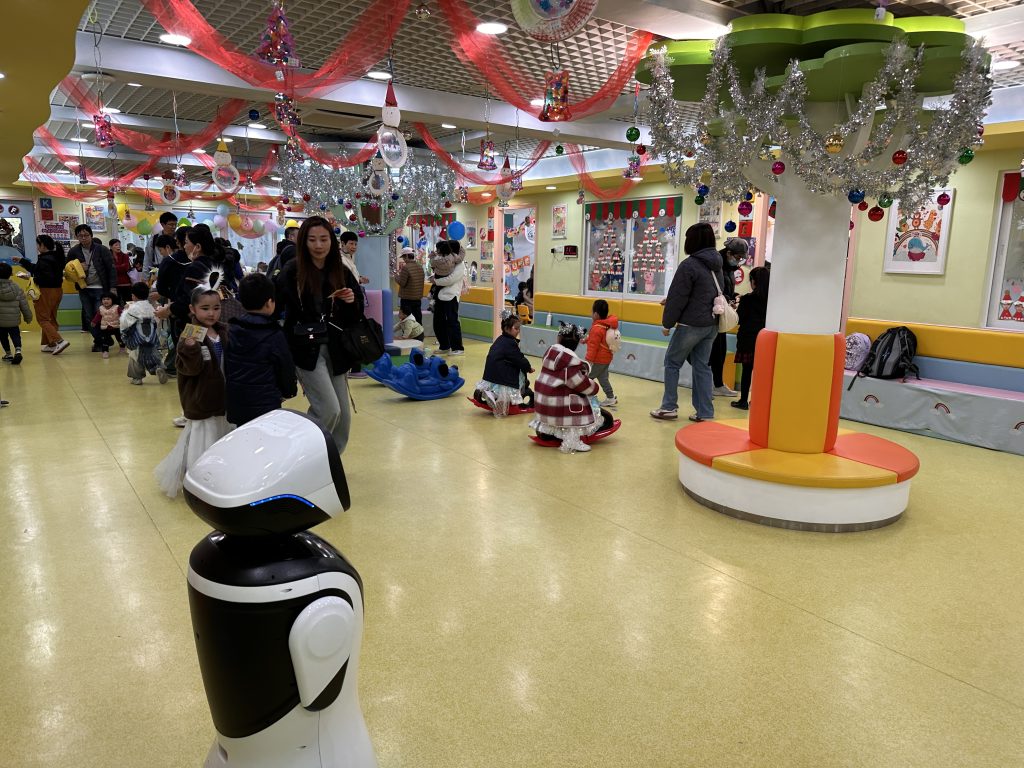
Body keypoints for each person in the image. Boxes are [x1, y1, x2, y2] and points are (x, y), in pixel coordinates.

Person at [278, 216, 365, 455]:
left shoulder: (340, 270)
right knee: (328, 410)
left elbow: (356, 312)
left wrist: (351, 301)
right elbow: (274, 306)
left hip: (336, 348)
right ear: (303, 242)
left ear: (331, 241)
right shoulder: (292, 271)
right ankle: (303, 455)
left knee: (343, 416)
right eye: (312, 239)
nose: (318, 245)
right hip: (305, 349)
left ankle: (330, 462)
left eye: (324, 239)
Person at [154, 287, 230, 498]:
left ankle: (220, 478)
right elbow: (189, 369)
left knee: (221, 439)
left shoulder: (223, 331)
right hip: (201, 400)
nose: (211, 313)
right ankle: (199, 481)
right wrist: (190, 348)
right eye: (205, 308)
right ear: (193, 309)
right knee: (202, 442)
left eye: (216, 308)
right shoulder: (191, 334)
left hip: (223, 399)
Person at [650, 222, 723, 423]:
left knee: (672, 363)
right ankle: (705, 412)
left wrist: (667, 323)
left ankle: (669, 407)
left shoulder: (689, 265)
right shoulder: (717, 265)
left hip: (690, 324)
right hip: (711, 324)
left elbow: (678, 297)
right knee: (702, 366)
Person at [224, 273, 297, 427]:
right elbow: (285, 366)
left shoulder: (233, 329)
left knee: (243, 434)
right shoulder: (274, 333)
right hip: (266, 402)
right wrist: (289, 391)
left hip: (237, 400)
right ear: (270, 303)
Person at [531, 322, 606, 453]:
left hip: (541, 402)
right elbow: (582, 385)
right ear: (576, 345)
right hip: (557, 406)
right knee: (580, 402)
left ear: (558, 338)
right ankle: (572, 441)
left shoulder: (551, 355)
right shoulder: (570, 364)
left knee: (563, 392)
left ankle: (551, 431)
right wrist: (594, 387)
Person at [12, 235, 69, 354]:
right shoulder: (55, 257)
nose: (37, 247)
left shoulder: (45, 259)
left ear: (43, 245)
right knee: (51, 317)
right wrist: (22, 261)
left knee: (43, 319)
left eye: (38, 244)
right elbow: (38, 269)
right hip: (57, 291)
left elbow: (44, 277)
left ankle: (59, 341)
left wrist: (31, 278)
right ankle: (49, 344)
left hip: (46, 291)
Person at [66, 224, 116, 352]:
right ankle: (100, 340)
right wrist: (77, 268)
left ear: (91, 235)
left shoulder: (102, 249)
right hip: (84, 288)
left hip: (101, 288)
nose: (83, 238)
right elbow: (67, 270)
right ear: (77, 237)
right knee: (89, 317)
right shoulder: (73, 251)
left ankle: (102, 340)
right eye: (80, 236)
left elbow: (111, 269)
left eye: (86, 235)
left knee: (99, 314)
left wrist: (112, 287)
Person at [475, 311, 535, 416]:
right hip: (501, 373)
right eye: (516, 328)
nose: (518, 331)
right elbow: (519, 359)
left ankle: (491, 393)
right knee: (518, 377)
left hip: (490, 373)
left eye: (519, 329)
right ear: (507, 328)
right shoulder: (510, 343)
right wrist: (528, 368)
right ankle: (496, 396)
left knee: (501, 378)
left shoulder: (500, 339)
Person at [709, 237, 747, 398]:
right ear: (729, 253)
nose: (738, 261)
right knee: (709, 352)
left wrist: (733, 296)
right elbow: (712, 290)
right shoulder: (715, 266)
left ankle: (717, 384)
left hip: (722, 315)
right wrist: (726, 299)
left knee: (720, 352)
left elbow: (727, 289)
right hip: (712, 314)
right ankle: (707, 385)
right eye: (737, 257)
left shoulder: (730, 269)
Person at [731, 266, 770, 411]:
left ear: (754, 281)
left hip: (748, 339)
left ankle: (743, 401)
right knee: (762, 372)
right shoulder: (772, 301)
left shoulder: (747, 299)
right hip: (765, 341)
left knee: (747, 371)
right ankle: (758, 401)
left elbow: (740, 319)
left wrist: (734, 308)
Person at [120, 281, 168, 385]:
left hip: (137, 338)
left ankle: (137, 378)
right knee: (152, 354)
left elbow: (125, 323)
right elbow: (156, 321)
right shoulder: (150, 307)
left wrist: (125, 312)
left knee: (135, 356)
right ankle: (158, 368)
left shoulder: (132, 308)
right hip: (151, 337)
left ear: (133, 296)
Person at [582, 299, 619, 407]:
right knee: (603, 378)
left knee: (587, 378)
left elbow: (593, 346)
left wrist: (588, 361)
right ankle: (610, 397)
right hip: (606, 358)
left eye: (592, 311)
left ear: (596, 314)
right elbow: (599, 340)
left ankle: (585, 396)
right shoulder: (606, 325)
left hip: (598, 359)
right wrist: (586, 340)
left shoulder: (596, 328)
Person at [433, 240, 466, 356]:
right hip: (440, 295)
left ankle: (457, 347)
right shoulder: (446, 261)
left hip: (451, 296)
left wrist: (436, 281)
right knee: (438, 321)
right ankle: (444, 345)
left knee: (452, 322)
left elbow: (451, 279)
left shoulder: (460, 264)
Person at [0, 263, 31, 365]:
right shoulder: (16, 287)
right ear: (10, 274)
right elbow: (23, 304)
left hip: (1, 321)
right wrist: (28, 317)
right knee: (15, 335)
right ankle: (18, 351)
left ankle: (8, 354)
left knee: (3, 337)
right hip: (14, 320)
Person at [395, 246, 424, 322]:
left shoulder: (406, 268)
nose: (403, 259)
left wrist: (396, 277)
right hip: (417, 298)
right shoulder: (420, 267)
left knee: (407, 321)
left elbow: (402, 283)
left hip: (407, 299)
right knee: (417, 319)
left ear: (407, 256)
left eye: (403, 257)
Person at [143, 211, 177, 277]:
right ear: (162, 224)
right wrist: (145, 277)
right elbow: (147, 258)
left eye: (175, 224)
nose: (174, 227)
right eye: (171, 224)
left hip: (175, 272)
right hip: (158, 272)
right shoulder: (154, 239)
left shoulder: (178, 238)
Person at [91, 291, 124, 358]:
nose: (106, 301)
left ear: (113, 300)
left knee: (119, 338)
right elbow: (98, 316)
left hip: (116, 327)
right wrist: (94, 322)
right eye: (104, 299)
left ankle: (122, 347)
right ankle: (105, 351)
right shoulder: (101, 308)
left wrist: (124, 321)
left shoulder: (117, 307)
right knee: (105, 340)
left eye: (108, 299)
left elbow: (122, 315)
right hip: (105, 327)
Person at [110, 238, 133, 305]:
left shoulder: (125, 256)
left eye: (119, 245)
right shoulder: (108, 256)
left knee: (128, 303)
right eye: (116, 245)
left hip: (126, 283)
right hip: (114, 284)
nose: (118, 246)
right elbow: (109, 269)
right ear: (111, 247)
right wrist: (120, 266)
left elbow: (125, 268)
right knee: (116, 304)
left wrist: (114, 267)